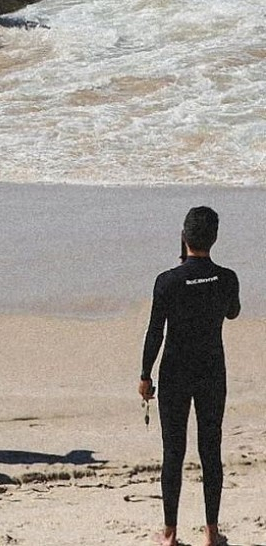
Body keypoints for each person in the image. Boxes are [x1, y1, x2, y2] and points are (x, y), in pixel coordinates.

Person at [139, 206, 241, 546]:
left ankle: (169, 534)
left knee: (174, 452)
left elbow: (155, 332)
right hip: (212, 371)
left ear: (184, 237)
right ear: (215, 238)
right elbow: (233, 312)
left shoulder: (167, 281)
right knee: (210, 450)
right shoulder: (227, 278)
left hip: (175, 373)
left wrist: (144, 375)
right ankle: (211, 533)